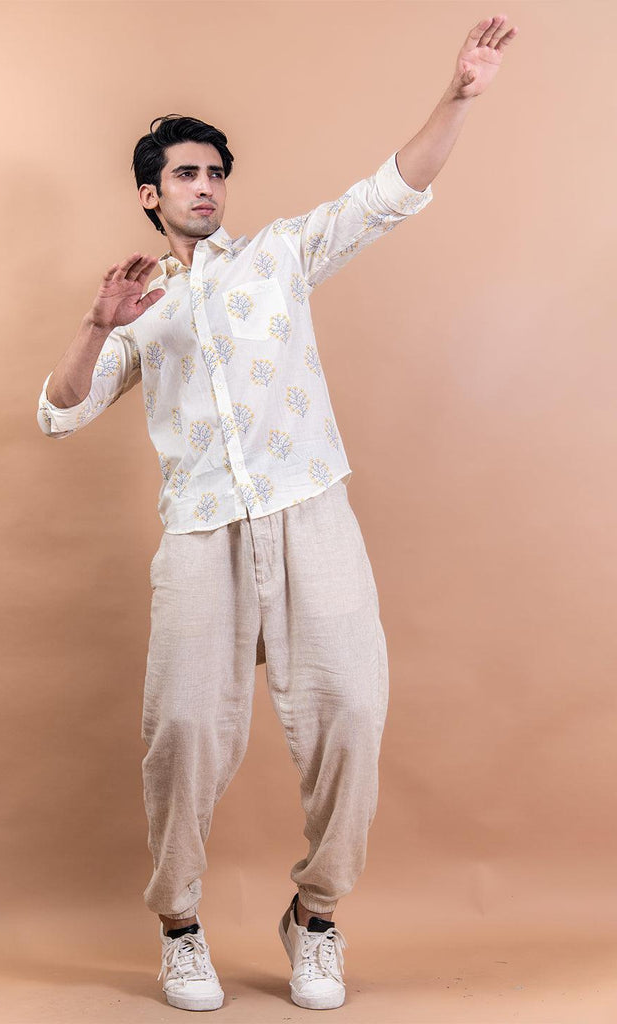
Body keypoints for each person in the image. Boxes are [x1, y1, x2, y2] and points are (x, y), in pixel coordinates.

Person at [36, 15, 518, 1011]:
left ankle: (318, 914)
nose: (205, 186)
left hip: (311, 513)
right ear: (150, 193)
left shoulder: (281, 255)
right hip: (201, 531)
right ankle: (179, 926)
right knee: (181, 730)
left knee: (353, 712)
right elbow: (59, 412)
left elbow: (390, 192)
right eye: (185, 174)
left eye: (215, 172)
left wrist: (459, 96)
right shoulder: (140, 309)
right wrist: (95, 323)